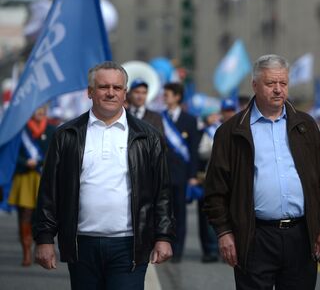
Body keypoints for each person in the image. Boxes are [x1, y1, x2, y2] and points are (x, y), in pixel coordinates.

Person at [34, 61, 174, 289]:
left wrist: (164, 237)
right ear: (90, 92)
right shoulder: (66, 135)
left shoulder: (149, 137)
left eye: (117, 88)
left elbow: (162, 192)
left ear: (125, 93)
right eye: (103, 87)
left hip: (129, 245)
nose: (111, 93)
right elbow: (49, 191)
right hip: (82, 246)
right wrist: (44, 238)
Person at [204, 54, 320, 289]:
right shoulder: (230, 131)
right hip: (254, 236)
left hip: (301, 236)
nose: (278, 90)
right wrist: (224, 232)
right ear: (255, 85)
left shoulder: (305, 126)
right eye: (270, 84)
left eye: (283, 84)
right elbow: (216, 190)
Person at [8, 106, 56, 266]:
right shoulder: (20, 130)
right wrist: (24, 162)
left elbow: (54, 152)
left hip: (43, 176)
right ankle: (26, 251)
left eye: (43, 108)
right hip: (25, 177)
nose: (40, 111)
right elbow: (12, 153)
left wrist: (39, 162)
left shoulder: (51, 129)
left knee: (43, 214)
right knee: (25, 214)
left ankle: (40, 246)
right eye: (36, 108)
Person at [162, 82, 200, 262]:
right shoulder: (159, 118)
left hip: (181, 175)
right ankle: (164, 245)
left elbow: (193, 150)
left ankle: (178, 251)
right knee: (163, 213)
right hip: (162, 175)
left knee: (180, 214)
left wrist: (192, 175)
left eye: (168, 94)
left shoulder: (189, 119)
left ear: (177, 97)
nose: (164, 97)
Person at [196, 106, 222, 263]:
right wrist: (215, 149)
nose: (214, 118)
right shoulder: (205, 132)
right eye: (210, 115)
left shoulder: (223, 129)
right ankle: (211, 249)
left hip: (225, 178)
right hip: (208, 178)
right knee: (208, 216)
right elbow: (201, 151)